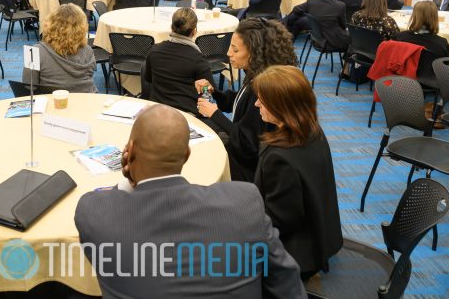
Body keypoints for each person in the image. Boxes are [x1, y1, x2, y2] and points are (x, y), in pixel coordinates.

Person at [74, 104, 306, 299]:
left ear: (130, 150)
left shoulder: (94, 213)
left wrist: (127, 180)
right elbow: (286, 281)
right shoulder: (244, 202)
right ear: (186, 154)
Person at [252, 65, 342, 279]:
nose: (256, 104)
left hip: (296, 256)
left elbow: (279, 220)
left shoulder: (279, 158)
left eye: (262, 100)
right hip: (322, 235)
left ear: (281, 106)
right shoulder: (312, 131)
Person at [195, 18, 297, 182]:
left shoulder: (264, 92)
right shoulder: (257, 74)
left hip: (249, 169)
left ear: (254, 53)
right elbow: (239, 101)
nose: (228, 53)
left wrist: (215, 114)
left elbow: (247, 145)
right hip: (243, 152)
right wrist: (215, 93)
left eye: (235, 50)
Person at [144, 8, 214, 115]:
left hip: (156, 112)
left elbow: (148, 79)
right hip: (187, 116)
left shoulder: (154, 50)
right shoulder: (198, 59)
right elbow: (208, 92)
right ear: (194, 31)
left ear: (171, 27)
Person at [21, 3, 96, 93]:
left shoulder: (34, 52)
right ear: (82, 27)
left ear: (49, 24)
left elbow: (28, 88)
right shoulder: (88, 50)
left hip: (53, 103)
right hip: (87, 101)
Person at [286, 0, 350, 51]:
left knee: (297, 20)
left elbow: (296, 9)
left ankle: (287, 44)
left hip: (317, 39)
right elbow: (343, 25)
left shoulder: (312, 1)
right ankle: (349, 60)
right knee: (355, 37)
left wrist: (290, 21)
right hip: (334, 41)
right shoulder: (340, 5)